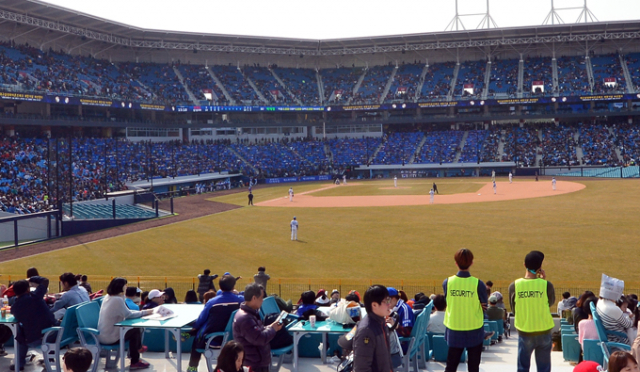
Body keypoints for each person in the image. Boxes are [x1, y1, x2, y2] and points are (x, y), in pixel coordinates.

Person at [509, 250, 556, 372]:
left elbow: (514, 309)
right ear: (540, 267)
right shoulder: (547, 285)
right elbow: (550, 303)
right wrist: (543, 281)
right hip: (544, 330)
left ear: (524, 264)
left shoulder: (514, 286)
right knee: (544, 369)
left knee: (523, 368)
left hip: (525, 331)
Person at [442, 248, 487, 372]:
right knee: (473, 367)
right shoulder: (478, 284)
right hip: (474, 329)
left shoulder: (448, 282)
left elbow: (448, 300)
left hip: (455, 328)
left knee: (451, 366)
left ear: (456, 263)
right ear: (471, 263)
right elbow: (484, 306)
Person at [188, 275, 244, 372]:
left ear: (220, 286)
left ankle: (192, 367)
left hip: (214, 341)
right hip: (234, 340)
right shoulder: (240, 300)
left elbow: (201, 320)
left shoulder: (212, 302)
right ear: (233, 286)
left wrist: (193, 328)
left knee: (197, 338)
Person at [97, 278, 153, 370]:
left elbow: (126, 312)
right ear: (121, 287)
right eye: (125, 285)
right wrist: (145, 312)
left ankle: (138, 350)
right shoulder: (116, 300)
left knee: (134, 330)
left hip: (106, 334)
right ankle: (135, 359)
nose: (126, 287)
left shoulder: (110, 297)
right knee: (135, 330)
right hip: (109, 337)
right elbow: (128, 314)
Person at [233, 282, 282, 372]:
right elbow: (260, 338)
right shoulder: (245, 318)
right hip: (254, 364)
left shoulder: (249, 314)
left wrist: (270, 327)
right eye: (261, 298)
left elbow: (257, 332)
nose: (262, 300)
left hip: (256, 361)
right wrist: (273, 329)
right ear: (254, 298)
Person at [11, 276, 56, 371]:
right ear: (28, 289)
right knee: (22, 332)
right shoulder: (36, 296)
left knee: (20, 334)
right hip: (53, 332)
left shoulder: (15, 307)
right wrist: (31, 279)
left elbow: (20, 318)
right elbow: (45, 280)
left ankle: (19, 363)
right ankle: (48, 359)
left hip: (39, 337)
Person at [352, 284, 393, 372]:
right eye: (386, 301)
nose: (389, 304)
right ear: (374, 305)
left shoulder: (381, 322)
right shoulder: (366, 331)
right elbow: (361, 368)